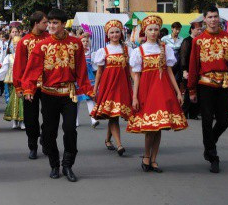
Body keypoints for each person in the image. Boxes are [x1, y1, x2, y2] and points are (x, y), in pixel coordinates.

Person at [22, 8, 93, 182]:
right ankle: (54, 164)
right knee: (49, 132)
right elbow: (32, 69)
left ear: (63, 24)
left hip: (69, 94)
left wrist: (88, 89)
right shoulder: (42, 45)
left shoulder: (75, 44)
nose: (51, 26)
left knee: (70, 129)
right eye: (50, 23)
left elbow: (81, 70)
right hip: (48, 94)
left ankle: (68, 164)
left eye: (55, 23)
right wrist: (29, 88)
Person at [188, 6, 228, 173]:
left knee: (224, 120)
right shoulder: (198, 41)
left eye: (215, 16)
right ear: (205, 19)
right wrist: (191, 89)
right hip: (205, 85)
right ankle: (213, 155)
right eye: (210, 17)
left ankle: (209, 144)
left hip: (223, 85)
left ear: (219, 18)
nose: (213, 20)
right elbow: (193, 65)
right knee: (206, 120)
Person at [127, 15, 187, 172]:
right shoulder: (139, 50)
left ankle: (153, 159)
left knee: (159, 126)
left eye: (156, 29)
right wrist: (134, 96)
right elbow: (136, 76)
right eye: (150, 29)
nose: (153, 32)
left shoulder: (165, 48)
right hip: (146, 91)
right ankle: (146, 156)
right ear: (145, 31)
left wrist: (178, 92)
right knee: (150, 127)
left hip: (162, 90)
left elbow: (170, 72)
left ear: (159, 31)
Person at [91, 20, 133, 156]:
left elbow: (131, 70)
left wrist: (136, 86)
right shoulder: (103, 51)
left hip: (123, 85)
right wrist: (95, 89)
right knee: (113, 115)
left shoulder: (127, 49)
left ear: (121, 33)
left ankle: (108, 140)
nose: (115, 35)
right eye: (112, 32)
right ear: (107, 35)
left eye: (117, 32)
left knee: (114, 114)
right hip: (108, 85)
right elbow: (99, 72)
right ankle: (119, 145)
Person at [12, 11, 49, 159]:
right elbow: (19, 65)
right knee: (30, 118)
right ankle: (32, 145)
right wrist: (18, 86)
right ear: (36, 23)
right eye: (44, 22)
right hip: (29, 86)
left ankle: (46, 139)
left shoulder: (49, 39)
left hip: (48, 84)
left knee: (49, 116)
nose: (47, 25)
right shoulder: (24, 42)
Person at [0, 35, 24, 128]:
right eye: (14, 44)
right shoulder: (9, 57)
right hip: (11, 81)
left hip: (22, 82)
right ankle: (15, 121)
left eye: (18, 44)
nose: (16, 46)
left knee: (22, 101)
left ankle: (22, 121)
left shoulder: (25, 56)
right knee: (13, 101)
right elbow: (4, 69)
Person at [179, 22, 202, 119]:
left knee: (198, 91)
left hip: (198, 70)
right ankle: (184, 112)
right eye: (197, 29)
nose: (199, 31)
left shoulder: (200, 41)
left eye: (200, 29)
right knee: (189, 91)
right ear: (192, 30)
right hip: (188, 69)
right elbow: (183, 56)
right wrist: (184, 70)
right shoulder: (187, 41)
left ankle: (194, 113)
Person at [77, 32, 99, 129]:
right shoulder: (76, 53)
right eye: (83, 41)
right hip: (78, 79)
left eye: (86, 41)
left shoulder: (91, 54)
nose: (85, 43)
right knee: (77, 100)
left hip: (89, 80)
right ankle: (75, 120)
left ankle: (93, 119)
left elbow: (95, 68)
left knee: (89, 99)